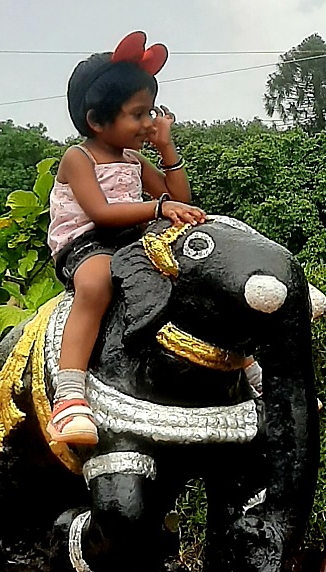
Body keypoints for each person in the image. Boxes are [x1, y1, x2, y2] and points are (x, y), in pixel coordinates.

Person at [46, 31, 207, 446]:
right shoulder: (77, 158)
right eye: (138, 114)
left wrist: (167, 150)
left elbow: (178, 199)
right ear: (97, 120)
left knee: (194, 266)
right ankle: (69, 394)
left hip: (130, 241)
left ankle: (246, 367)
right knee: (98, 282)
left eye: (151, 112)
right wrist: (158, 209)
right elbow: (100, 212)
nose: (148, 123)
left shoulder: (133, 158)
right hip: (86, 244)